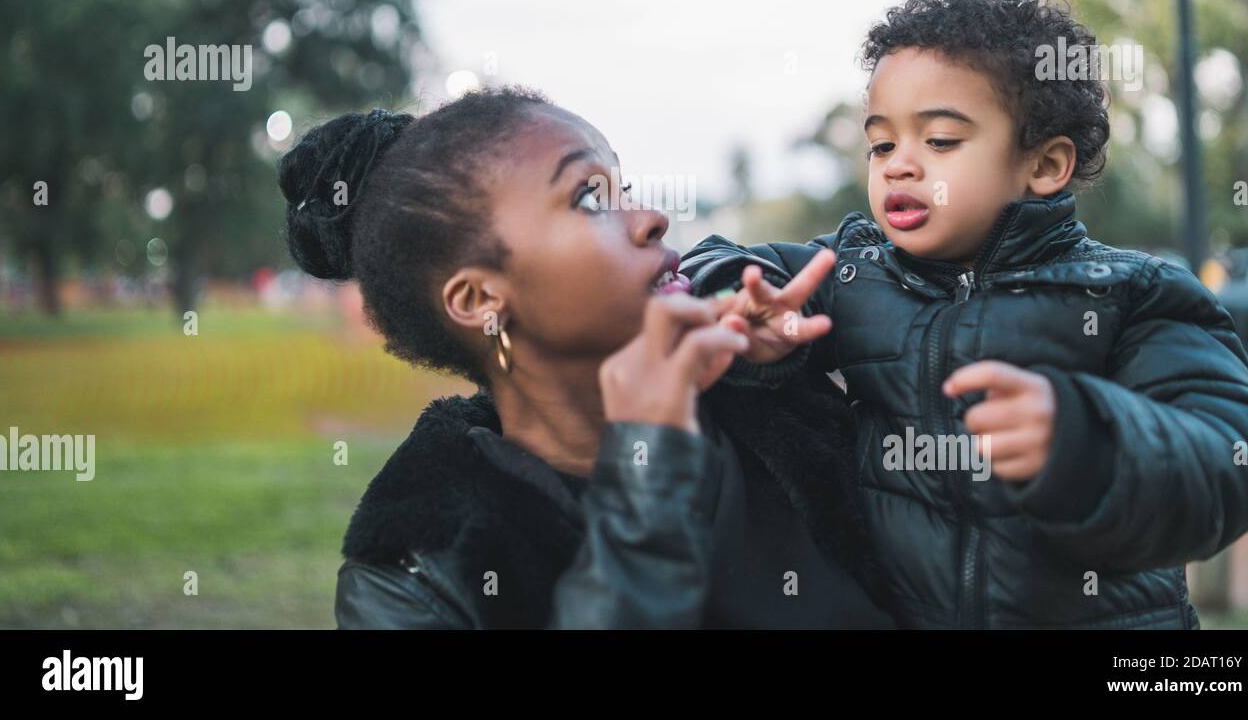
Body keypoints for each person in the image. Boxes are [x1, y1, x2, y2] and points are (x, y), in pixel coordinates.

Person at [681, 0, 1248, 629]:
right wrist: (742, 298)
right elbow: (722, 262)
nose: (898, 165)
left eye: (939, 140)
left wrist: (1084, 441)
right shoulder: (854, 272)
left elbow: (1230, 462)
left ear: (1045, 165)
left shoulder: (1130, 293)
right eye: (882, 142)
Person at [277, 89, 895, 628]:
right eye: (589, 199)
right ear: (479, 299)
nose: (651, 218)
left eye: (622, 186)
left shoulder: (766, 389)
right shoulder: (417, 575)